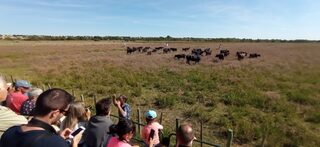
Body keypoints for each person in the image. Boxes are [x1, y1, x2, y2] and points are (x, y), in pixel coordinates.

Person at [0, 88, 83, 147]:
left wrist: (57, 139)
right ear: (55, 113)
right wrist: (74, 143)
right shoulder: (55, 143)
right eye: (65, 112)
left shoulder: (10, 132)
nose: (64, 115)